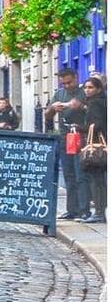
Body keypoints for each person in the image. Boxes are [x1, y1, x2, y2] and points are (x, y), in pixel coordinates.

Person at [47, 69, 88, 219]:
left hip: (82, 137)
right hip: (66, 138)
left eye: (69, 82)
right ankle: (72, 210)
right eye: (63, 83)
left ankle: (84, 210)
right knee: (69, 175)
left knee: (81, 175)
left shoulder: (84, 92)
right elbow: (47, 114)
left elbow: (98, 112)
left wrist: (81, 107)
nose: (66, 86)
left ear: (76, 78)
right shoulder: (59, 94)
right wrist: (53, 108)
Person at [82, 74, 107, 224]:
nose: (87, 90)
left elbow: (96, 124)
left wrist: (81, 128)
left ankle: (99, 212)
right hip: (101, 144)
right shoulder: (101, 101)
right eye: (85, 87)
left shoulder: (95, 103)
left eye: (90, 87)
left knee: (97, 180)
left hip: (97, 146)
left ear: (98, 89)